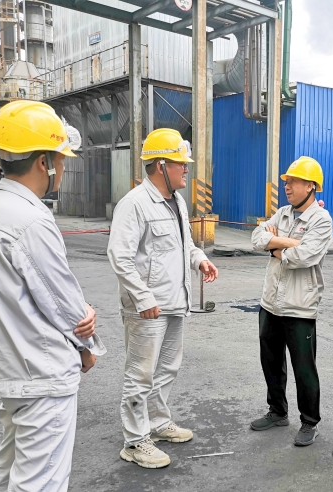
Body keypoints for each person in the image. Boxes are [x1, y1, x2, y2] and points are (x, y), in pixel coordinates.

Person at [0, 100, 106, 492]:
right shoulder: (30, 220)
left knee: (9, 473)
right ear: (44, 162)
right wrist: (87, 346)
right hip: (42, 376)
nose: (63, 166)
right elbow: (62, 302)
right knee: (40, 483)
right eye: (60, 158)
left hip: (13, 369)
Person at [107, 128, 219, 469]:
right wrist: (142, 298)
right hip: (147, 309)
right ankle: (134, 441)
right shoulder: (134, 204)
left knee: (167, 368)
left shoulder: (177, 202)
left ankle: (156, 423)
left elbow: (185, 245)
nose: (186, 169)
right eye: (180, 164)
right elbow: (119, 256)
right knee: (140, 374)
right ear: (160, 166)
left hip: (174, 303)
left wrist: (199, 259)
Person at [250, 156, 333, 446]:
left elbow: (305, 256)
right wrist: (290, 242)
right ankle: (277, 411)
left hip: (299, 307)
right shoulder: (283, 214)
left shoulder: (321, 220)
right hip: (270, 303)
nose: (287, 186)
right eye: (287, 181)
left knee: (303, 367)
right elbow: (256, 238)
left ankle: (310, 421)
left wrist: (275, 247)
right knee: (271, 361)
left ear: (311, 186)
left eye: (294, 181)